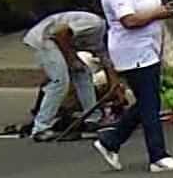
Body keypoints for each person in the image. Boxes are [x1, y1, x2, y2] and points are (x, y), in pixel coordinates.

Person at [94, 0, 173, 174]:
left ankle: (111, 141)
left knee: (148, 99)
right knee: (150, 103)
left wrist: (164, 10)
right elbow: (129, 20)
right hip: (132, 50)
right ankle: (157, 155)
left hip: (149, 47)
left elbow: (150, 6)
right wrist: (158, 13)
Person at [24, 8, 112, 140]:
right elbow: (61, 33)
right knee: (60, 82)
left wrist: (115, 88)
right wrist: (72, 59)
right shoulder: (95, 24)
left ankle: (92, 118)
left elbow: (108, 64)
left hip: (58, 41)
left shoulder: (102, 43)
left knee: (83, 74)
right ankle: (41, 127)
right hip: (44, 38)